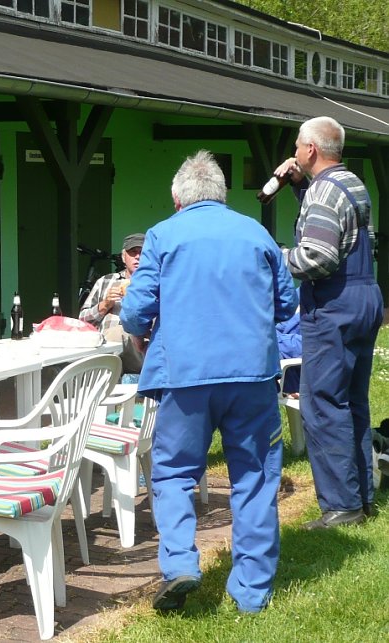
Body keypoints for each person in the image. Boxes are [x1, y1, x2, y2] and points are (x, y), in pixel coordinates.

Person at [121, 150, 297, 614]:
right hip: (252, 376)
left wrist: (144, 336)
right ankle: (252, 594)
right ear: (220, 195)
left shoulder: (162, 235)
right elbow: (286, 304)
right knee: (256, 479)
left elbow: (135, 310)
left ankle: (180, 563)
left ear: (178, 199)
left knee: (175, 474)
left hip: (185, 377)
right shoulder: (256, 232)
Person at [272, 116, 384, 529]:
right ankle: (362, 497)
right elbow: (339, 228)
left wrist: (279, 257)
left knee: (321, 403)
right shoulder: (349, 182)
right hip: (365, 296)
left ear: (311, 150)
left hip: (333, 303)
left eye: (299, 146)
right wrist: (300, 185)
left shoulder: (322, 193)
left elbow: (319, 256)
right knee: (352, 400)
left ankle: (341, 505)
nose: (295, 153)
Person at [78, 232, 147, 382]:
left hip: (141, 350)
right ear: (123, 257)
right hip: (106, 348)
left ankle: (99, 385)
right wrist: (105, 305)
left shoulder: (155, 283)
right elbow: (82, 322)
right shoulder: (106, 281)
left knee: (117, 333)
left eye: (142, 252)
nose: (137, 256)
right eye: (132, 252)